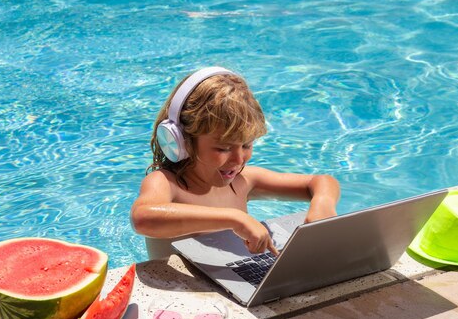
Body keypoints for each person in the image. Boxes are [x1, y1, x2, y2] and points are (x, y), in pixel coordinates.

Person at [130, 66, 340, 258]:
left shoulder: (243, 181)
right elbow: (142, 218)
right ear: (181, 141)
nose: (239, 159)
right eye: (223, 148)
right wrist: (233, 218)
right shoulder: (166, 183)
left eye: (247, 146)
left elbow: (321, 181)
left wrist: (323, 204)